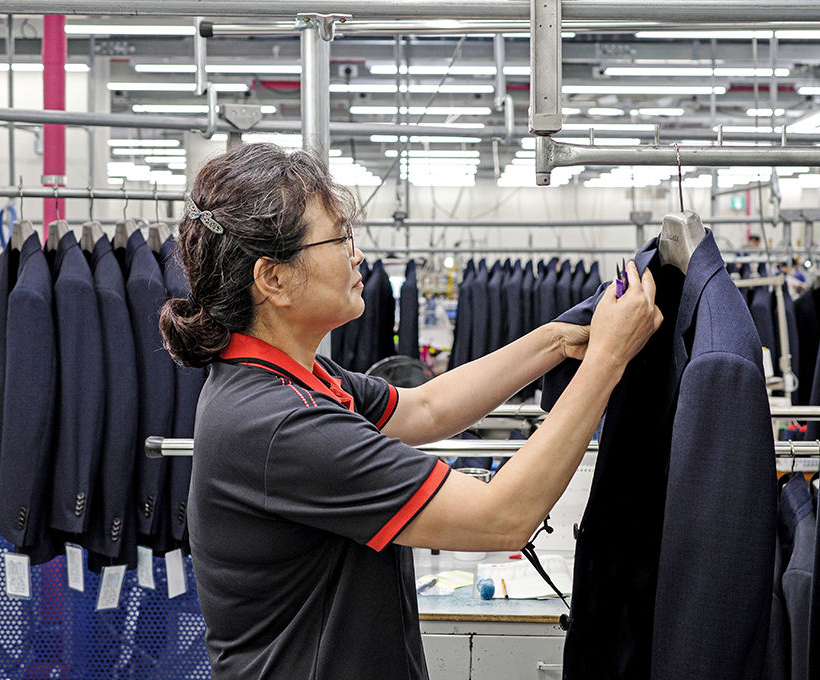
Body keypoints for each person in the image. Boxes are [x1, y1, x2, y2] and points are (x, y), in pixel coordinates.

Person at [158, 143, 662, 679]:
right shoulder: (279, 423)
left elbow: (426, 408)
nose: (356, 255)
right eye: (339, 238)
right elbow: (502, 518)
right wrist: (608, 360)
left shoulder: (293, 378)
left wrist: (556, 341)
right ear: (274, 279)